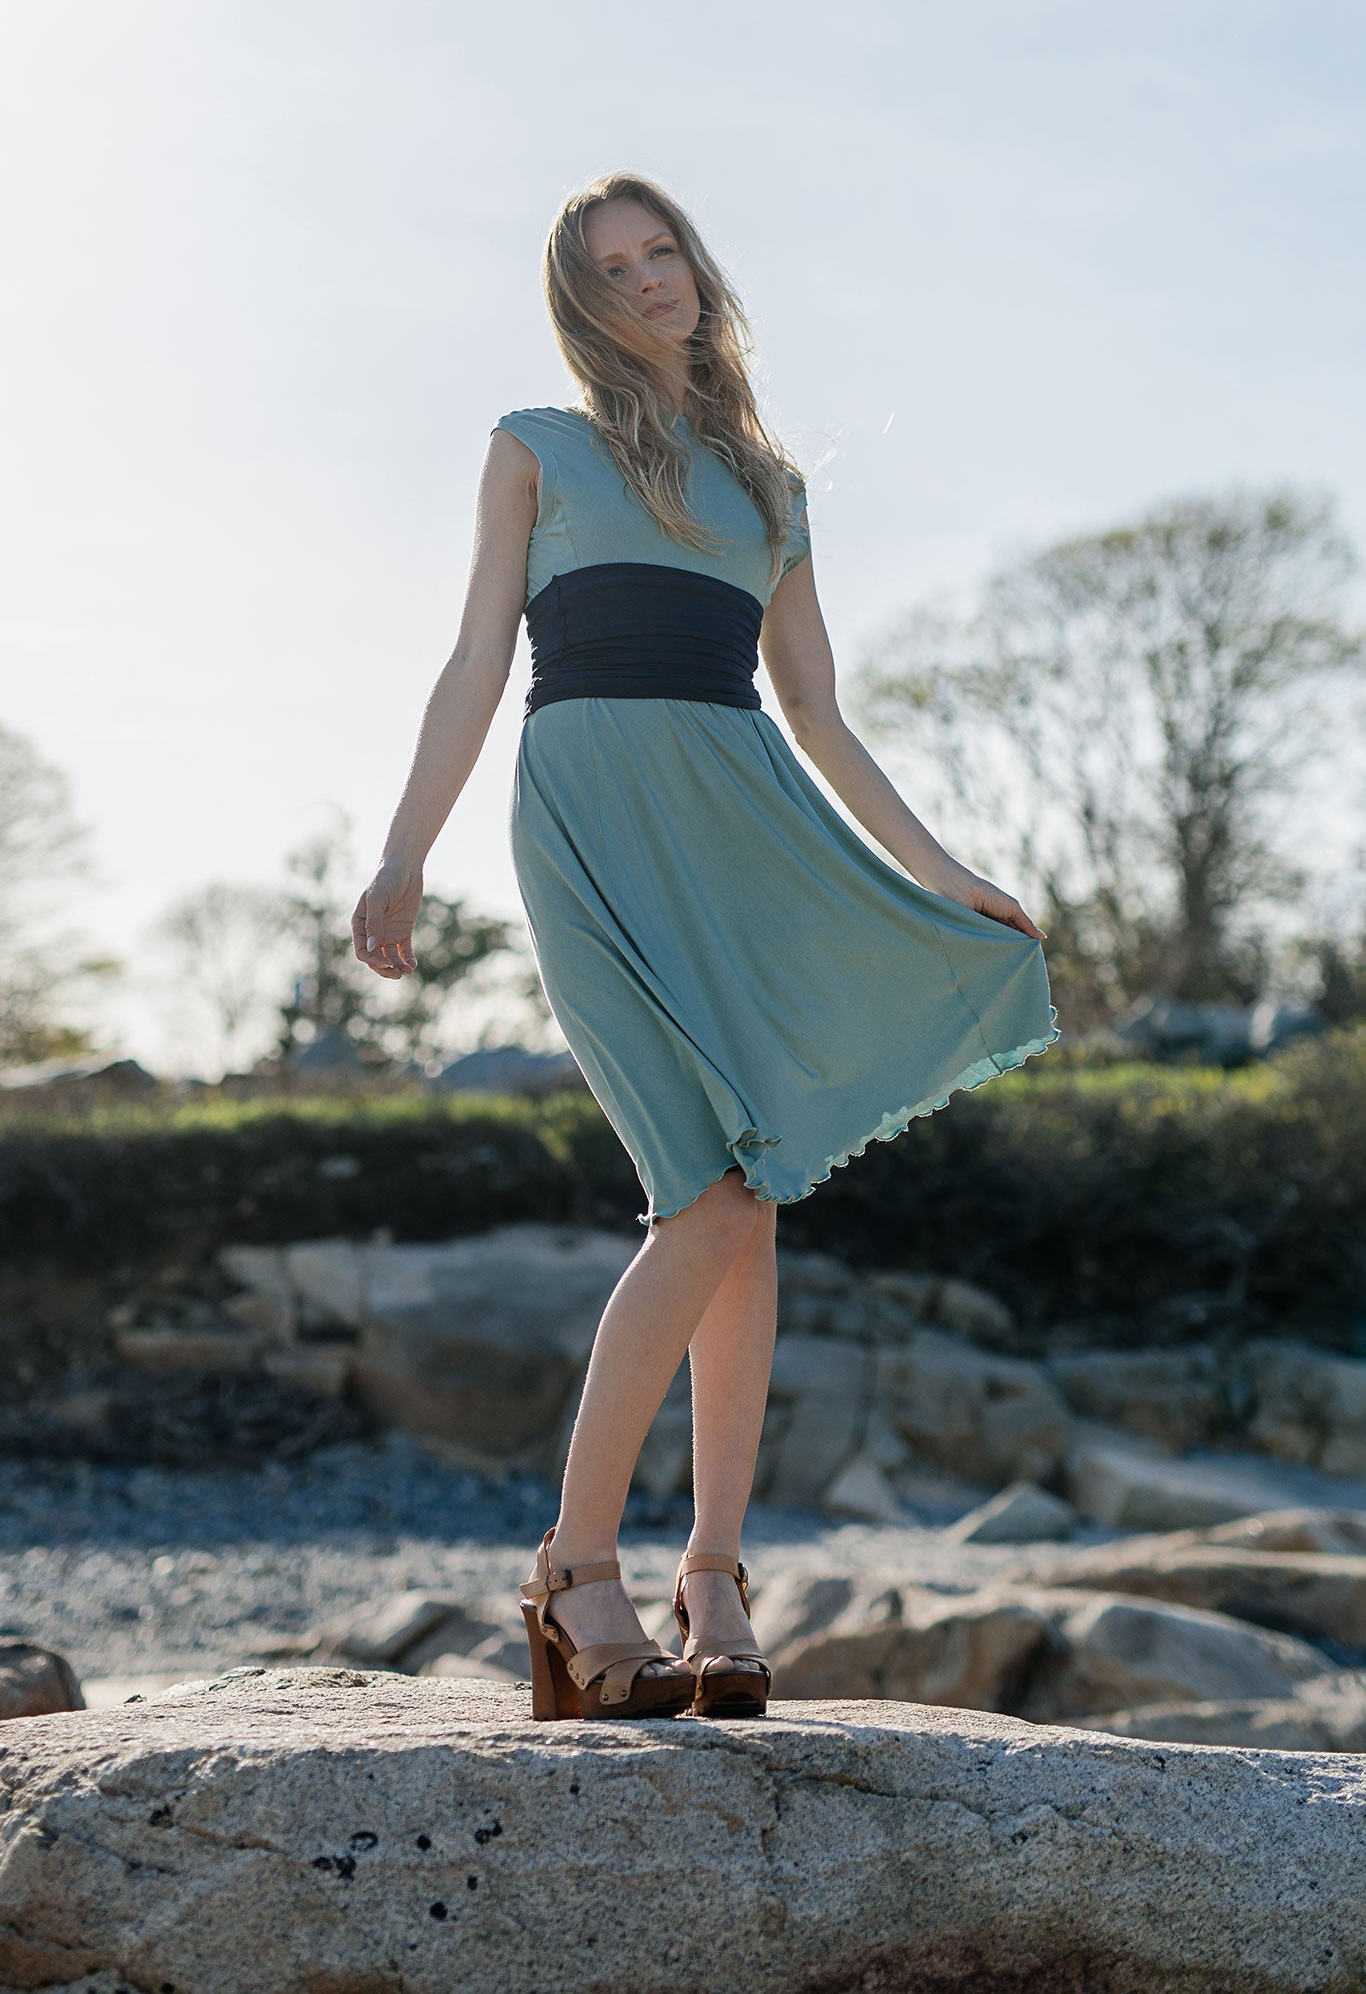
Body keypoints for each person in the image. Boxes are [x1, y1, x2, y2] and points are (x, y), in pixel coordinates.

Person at [352, 170, 1058, 1723]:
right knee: (708, 1187)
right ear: (578, 299)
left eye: (661, 250)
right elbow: (477, 656)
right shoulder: (532, 448)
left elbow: (815, 711)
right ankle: (577, 1559)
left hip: (744, 824)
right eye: (612, 267)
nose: (648, 281)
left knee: (751, 1193)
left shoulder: (771, 485)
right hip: (591, 815)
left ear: (694, 263)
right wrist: (403, 851)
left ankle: (713, 1573)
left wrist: (943, 875)